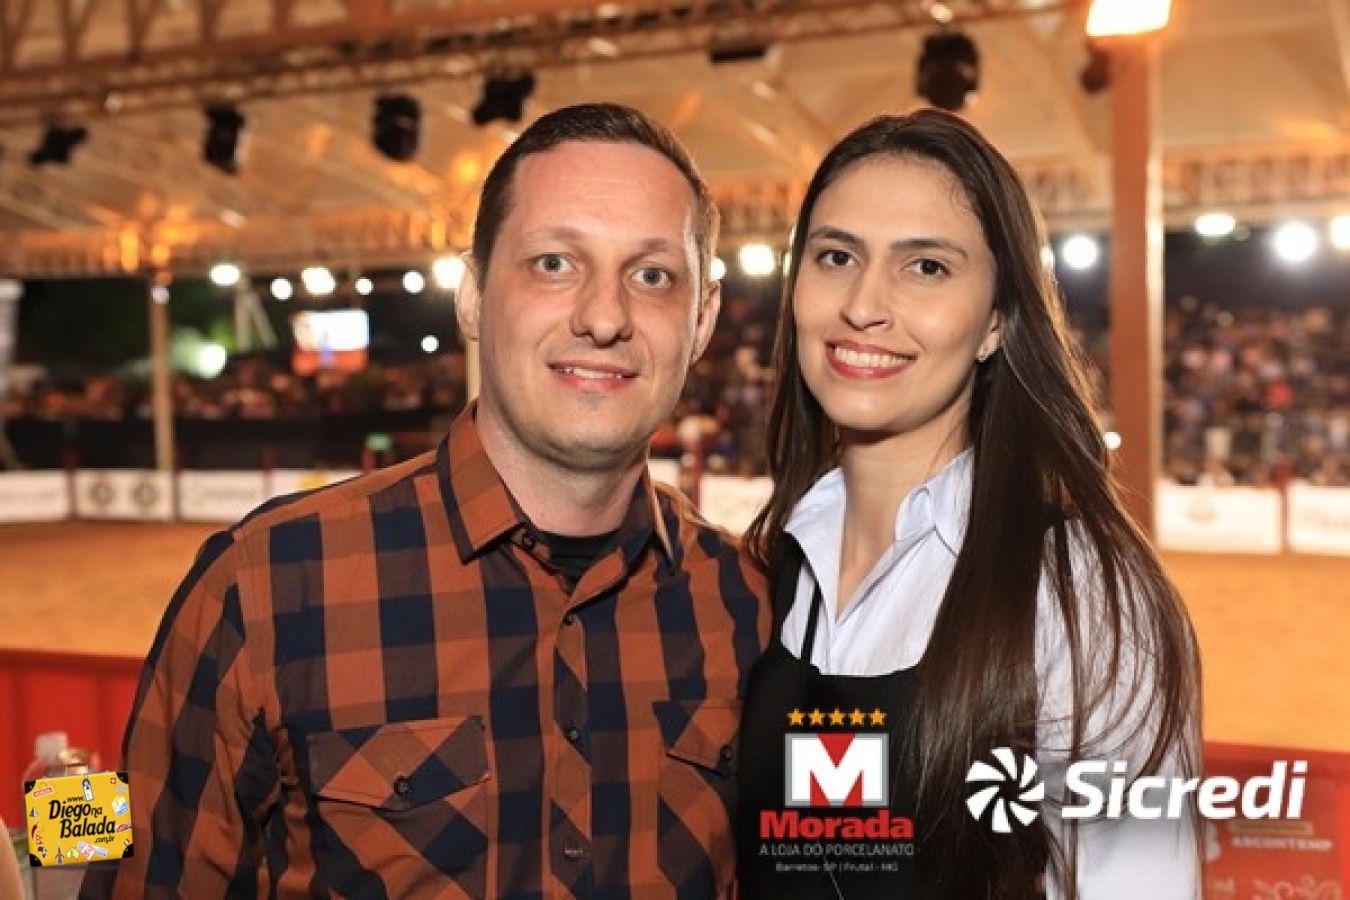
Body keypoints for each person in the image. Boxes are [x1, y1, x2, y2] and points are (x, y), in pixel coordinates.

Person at [83, 103, 767, 899]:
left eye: (652, 276)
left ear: (702, 319)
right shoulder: (263, 589)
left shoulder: (753, 606)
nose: (604, 316)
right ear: (472, 294)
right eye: (554, 263)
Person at [737, 110, 1201, 899]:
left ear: (995, 322)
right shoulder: (768, 567)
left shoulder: (1080, 592)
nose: (863, 304)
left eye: (926, 267)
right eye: (837, 256)